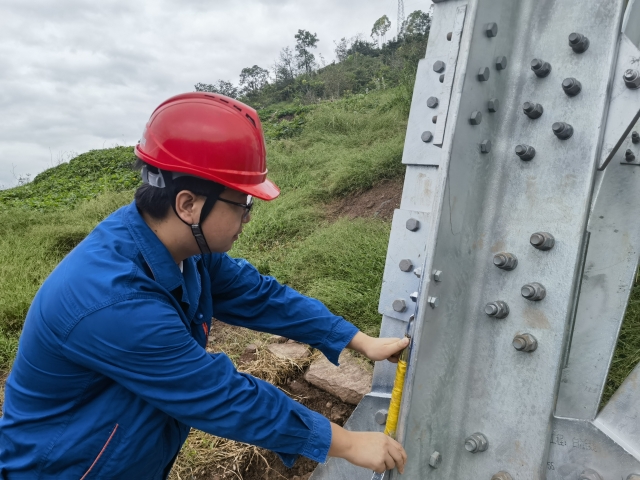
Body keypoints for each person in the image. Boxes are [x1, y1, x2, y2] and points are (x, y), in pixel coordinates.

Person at [0, 92, 408, 479]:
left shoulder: (181, 249)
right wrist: (347, 443)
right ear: (188, 204)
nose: (248, 219)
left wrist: (356, 339)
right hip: (66, 468)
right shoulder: (113, 299)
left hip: (119, 456)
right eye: (243, 205)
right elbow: (219, 395)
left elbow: (261, 296)